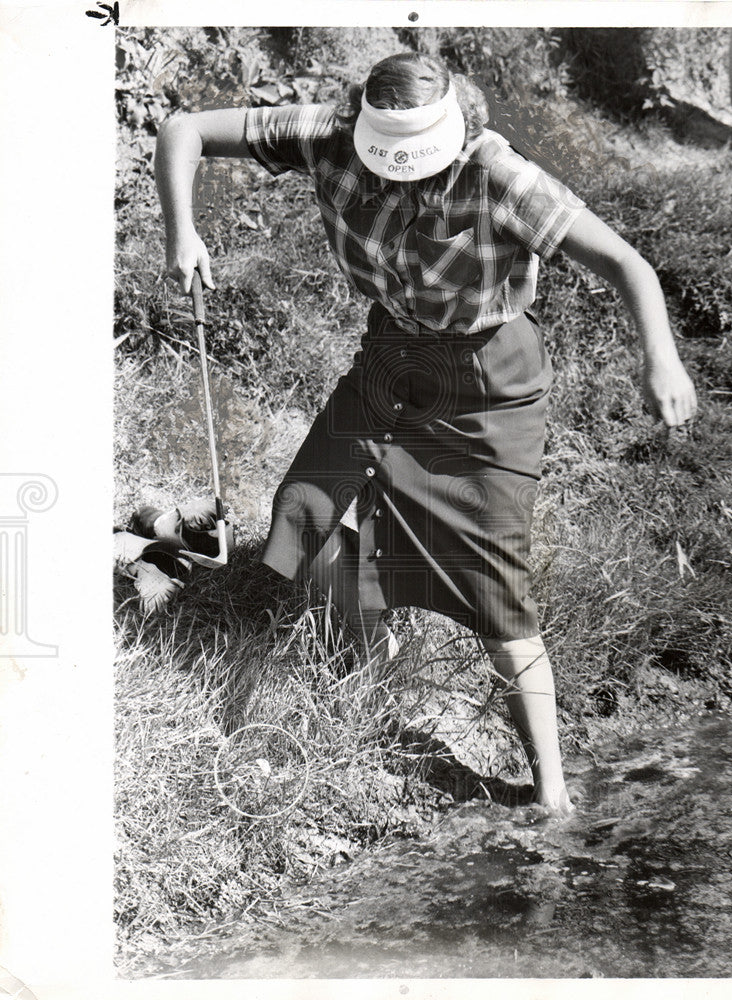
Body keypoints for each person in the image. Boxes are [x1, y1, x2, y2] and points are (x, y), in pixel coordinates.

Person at [156, 52, 697, 817]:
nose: (403, 179)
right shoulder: (327, 134)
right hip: (390, 359)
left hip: (490, 384)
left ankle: (550, 794)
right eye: (390, 161)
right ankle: (370, 675)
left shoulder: (500, 174)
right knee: (304, 509)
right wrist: (183, 233)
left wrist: (663, 361)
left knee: (496, 591)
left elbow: (629, 266)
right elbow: (184, 129)